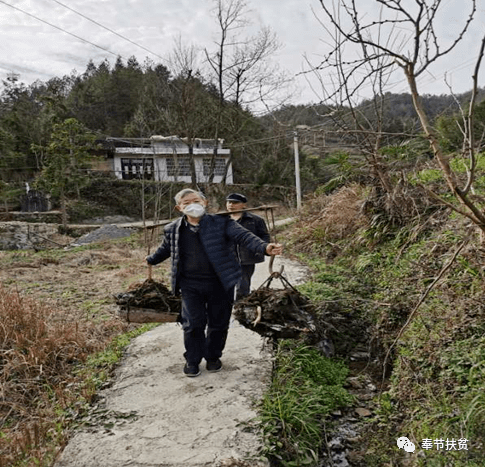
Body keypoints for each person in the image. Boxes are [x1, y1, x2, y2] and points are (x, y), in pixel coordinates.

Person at [146, 188, 283, 377]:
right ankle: (192, 360)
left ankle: (213, 357)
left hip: (221, 282)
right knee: (193, 324)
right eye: (187, 203)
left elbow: (245, 237)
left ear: (205, 202)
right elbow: (165, 249)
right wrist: (151, 260)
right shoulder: (173, 229)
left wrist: (265, 248)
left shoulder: (222, 222)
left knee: (218, 323)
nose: (193, 205)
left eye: (196, 201)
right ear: (179, 208)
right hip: (190, 284)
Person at [226, 193, 270, 299]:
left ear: (244, 205)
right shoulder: (220, 220)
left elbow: (264, 236)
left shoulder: (255, 220)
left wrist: (262, 249)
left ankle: (240, 309)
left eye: (235, 202)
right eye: (229, 202)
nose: (231, 205)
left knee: (242, 287)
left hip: (246, 259)